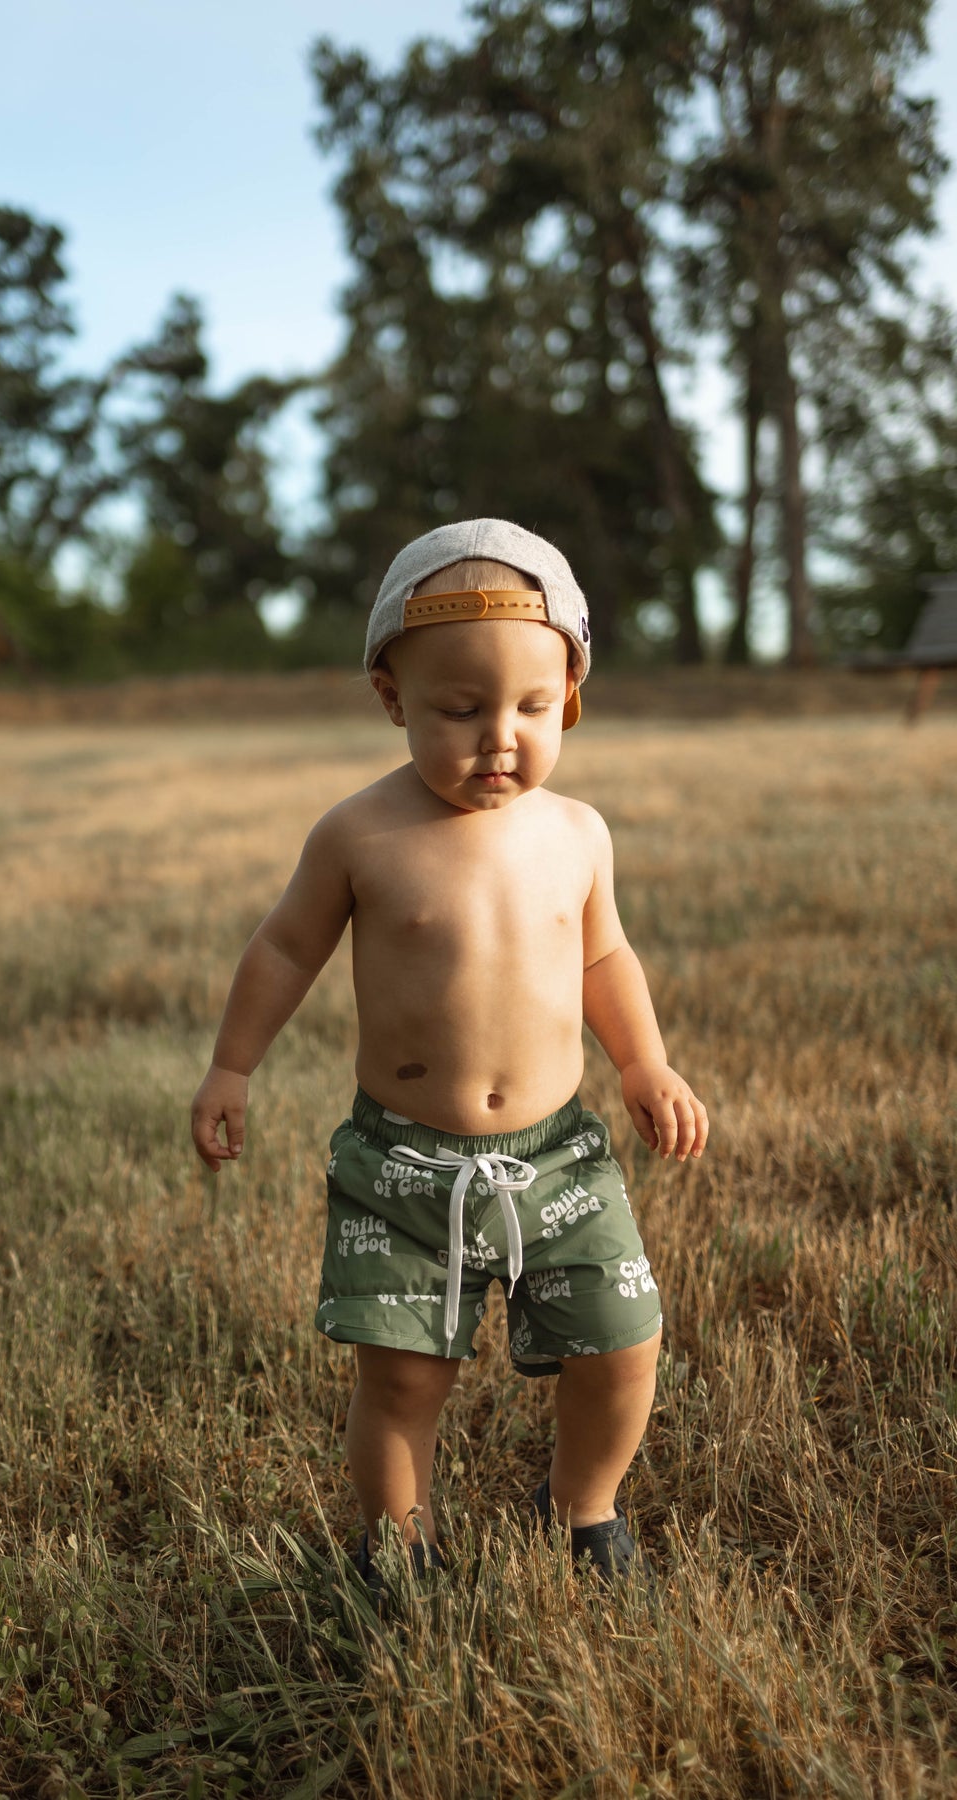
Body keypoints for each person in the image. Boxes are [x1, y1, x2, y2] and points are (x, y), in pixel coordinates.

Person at [191, 518, 708, 1587]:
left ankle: (583, 1509)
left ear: (570, 692)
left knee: (622, 1343)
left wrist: (644, 1064)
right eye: (460, 711)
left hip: (561, 1157)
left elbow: (605, 957)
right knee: (403, 1382)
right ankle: (398, 1549)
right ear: (393, 700)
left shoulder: (577, 834)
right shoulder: (360, 835)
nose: (500, 738)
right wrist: (232, 1067)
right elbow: (285, 949)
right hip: (404, 1167)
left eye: (532, 708)